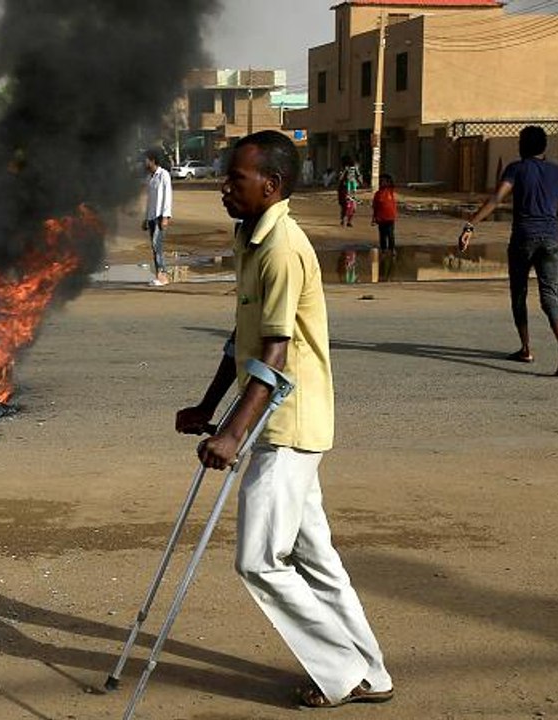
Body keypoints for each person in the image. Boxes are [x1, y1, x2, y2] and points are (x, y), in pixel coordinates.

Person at [176, 130, 394, 709]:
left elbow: (274, 351)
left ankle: (342, 672)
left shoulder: (282, 248)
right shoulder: (251, 238)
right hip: (278, 420)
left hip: (288, 425)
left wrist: (233, 433)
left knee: (257, 561)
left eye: (236, 179)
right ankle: (369, 670)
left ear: (270, 186)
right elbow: (240, 339)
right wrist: (208, 406)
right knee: (316, 557)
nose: (224, 188)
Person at [461, 126, 558, 377]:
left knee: (519, 294)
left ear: (523, 146)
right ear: (544, 147)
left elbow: (496, 199)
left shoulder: (516, 169)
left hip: (523, 239)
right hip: (552, 240)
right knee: (549, 296)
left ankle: (526, 349)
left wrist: (470, 225)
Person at [142, 149, 173, 286]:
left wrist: (166, 216)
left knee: (157, 245)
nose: (144, 162)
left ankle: (163, 276)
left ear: (153, 160)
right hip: (151, 217)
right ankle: (159, 275)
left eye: (146, 160)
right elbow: (150, 200)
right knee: (155, 247)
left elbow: (168, 196)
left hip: (161, 216)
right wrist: (146, 218)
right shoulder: (150, 177)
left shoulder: (164, 175)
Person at [371, 173, 398, 251]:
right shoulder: (377, 194)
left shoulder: (390, 191)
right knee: (382, 235)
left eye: (383, 181)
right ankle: (383, 250)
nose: (381, 182)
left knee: (390, 234)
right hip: (381, 218)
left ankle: (392, 249)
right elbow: (375, 207)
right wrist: (374, 218)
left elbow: (393, 184)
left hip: (390, 217)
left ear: (387, 182)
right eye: (380, 181)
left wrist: (389, 177)